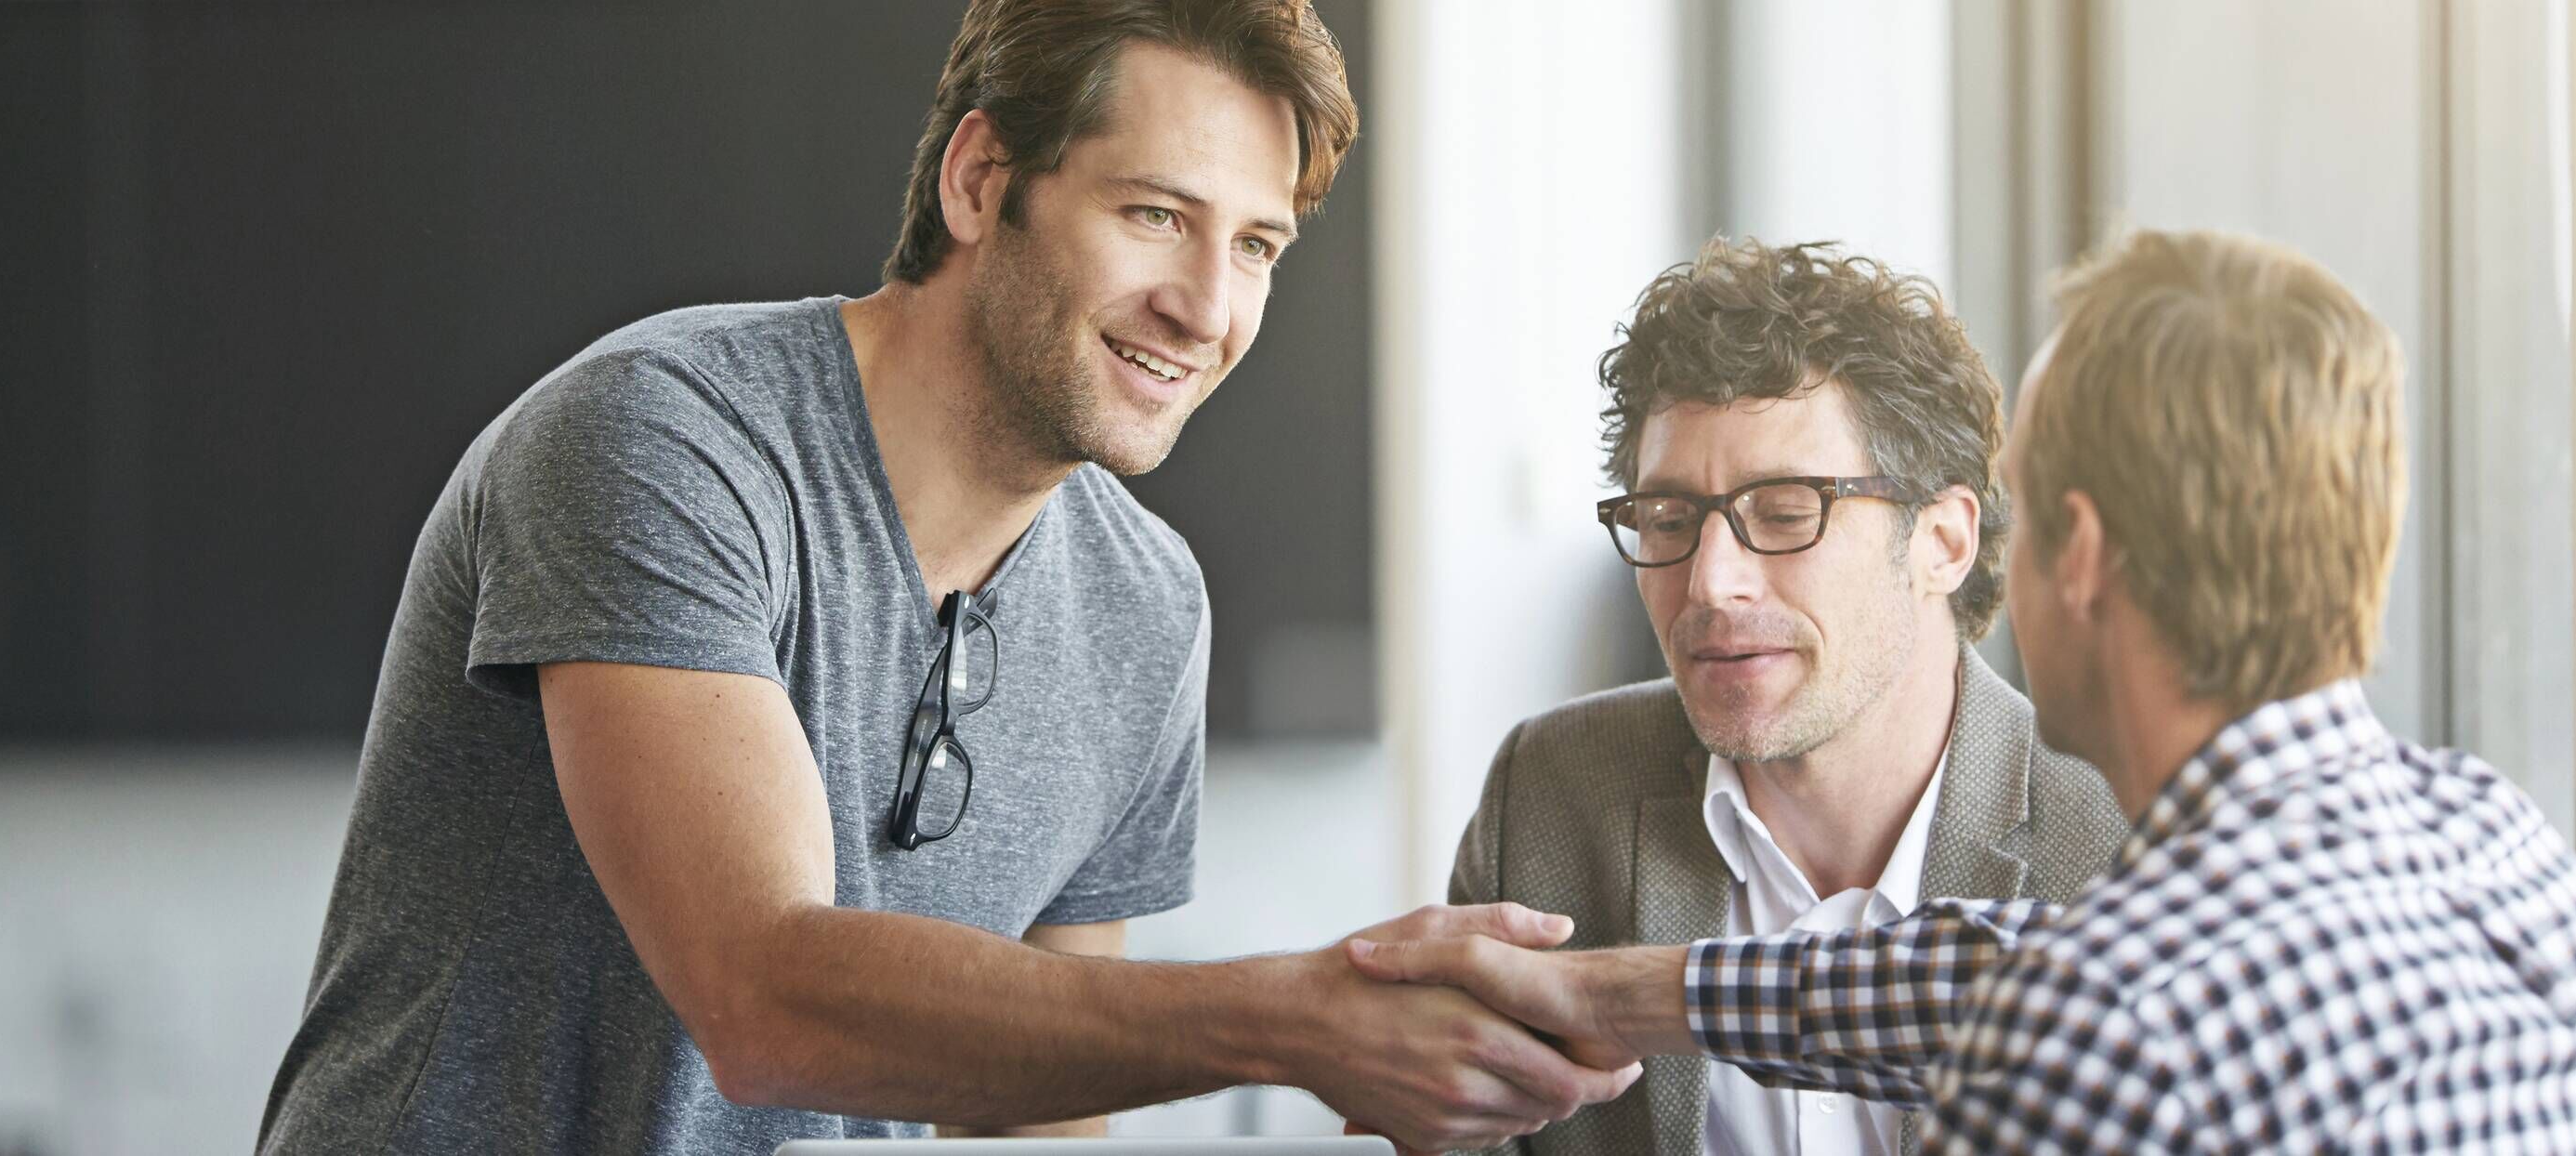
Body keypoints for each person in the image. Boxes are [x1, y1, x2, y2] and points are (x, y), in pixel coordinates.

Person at [256, 3, 1632, 1152]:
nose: (1208, 308)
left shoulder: (1146, 609)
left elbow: (1041, 1105)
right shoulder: (661, 438)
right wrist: (1296, 1021)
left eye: (1256, 245)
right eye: (1155, 214)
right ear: (981, 180)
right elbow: (764, 998)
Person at [1356, 230, 2576, 1153]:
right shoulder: (2505, 849)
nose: (1711, 580)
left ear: (2075, 553)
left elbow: (2073, 999)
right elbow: (1999, 973)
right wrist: (1622, 995)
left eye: (2027, 517)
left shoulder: (2102, 1029)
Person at [1443, 240, 2125, 1156]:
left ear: (1942, 540)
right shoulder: (1552, 795)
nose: (1710, 582)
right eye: (1668, 518)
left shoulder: (2122, 832)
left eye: (1785, 510)